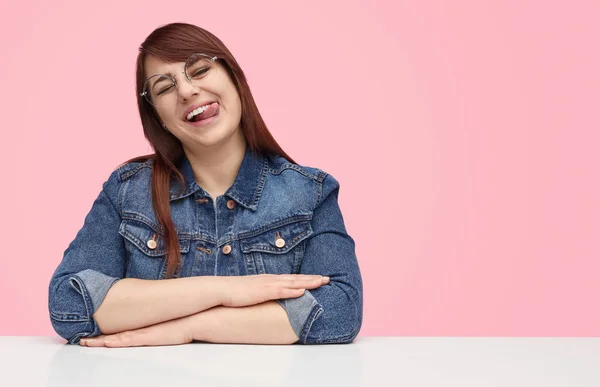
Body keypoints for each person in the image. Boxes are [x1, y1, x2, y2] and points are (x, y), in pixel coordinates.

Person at [48, 22, 363, 347]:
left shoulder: (310, 193)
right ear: (158, 117)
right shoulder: (127, 191)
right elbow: (70, 302)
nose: (186, 91)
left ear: (234, 77)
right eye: (164, 88)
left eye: (199, 70)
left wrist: (187, 328)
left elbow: (339, 310)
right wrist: (227, 291)